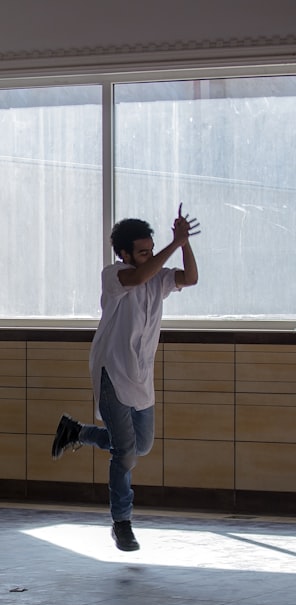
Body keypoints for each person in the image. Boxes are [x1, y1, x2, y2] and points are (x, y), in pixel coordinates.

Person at [52, 203, 200, 551]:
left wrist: (185, 243)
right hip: (112, 373)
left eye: (151, 249)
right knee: (126, 453)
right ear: (123, 254)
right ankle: (122, 523)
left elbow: (190, 278)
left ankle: (77, 432)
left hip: (141, 376)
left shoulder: (159, 278)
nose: (149, 257)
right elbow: (138, 277)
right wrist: (173, 245)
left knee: (140, 444)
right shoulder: (114, 275)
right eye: (142, 252)